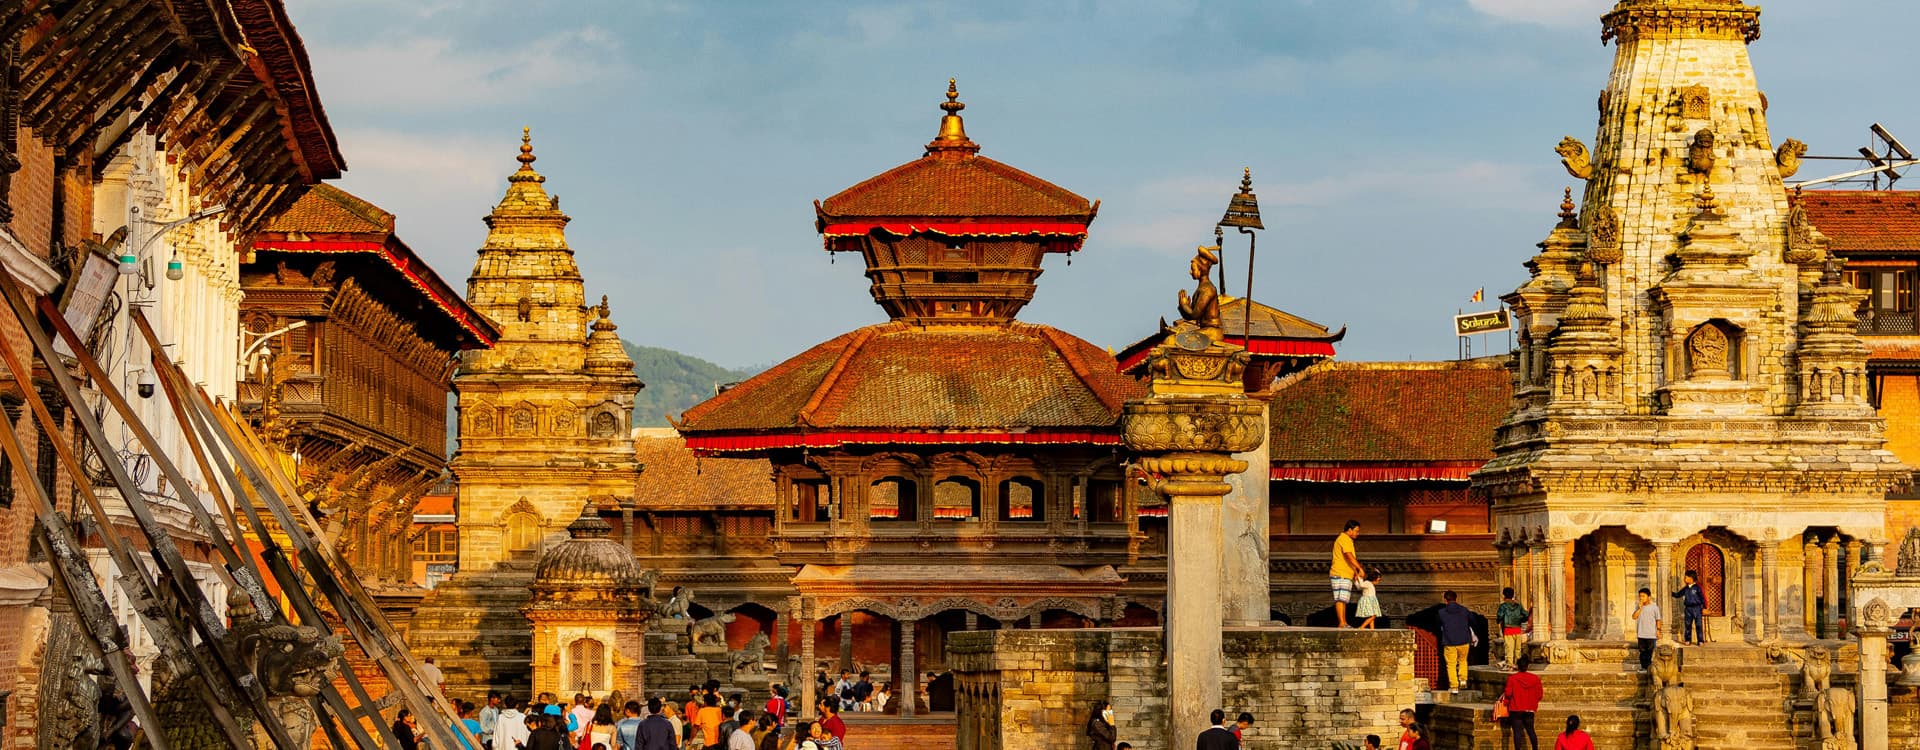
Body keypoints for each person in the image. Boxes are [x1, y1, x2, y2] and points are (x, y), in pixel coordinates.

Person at [1437, 590, 1475, 694]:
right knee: (1463, 661)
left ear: (1445, 600)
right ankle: (1463, 680)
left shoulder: (1441, 613)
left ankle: (1454, 686)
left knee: (1451, 664)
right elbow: (1473, 621)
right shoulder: (1464, 610)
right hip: (1464, 641)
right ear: (1456, 599)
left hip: (1449, 642)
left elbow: (1438, 625)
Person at [1502, 657, 1543, 750]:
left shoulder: (1512, 678)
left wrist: (1506, 701)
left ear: (1518, 666)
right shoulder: (1535, 678)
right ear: (1527, 666)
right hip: (1529, 708)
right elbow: (1539, 695)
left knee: (1517, 732)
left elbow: (1508, 693)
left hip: (1516, 708)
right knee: (1531, 731)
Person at [1332, 520, 1364, 627]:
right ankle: (1341, 622)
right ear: (1349, 530)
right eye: (1356, 531)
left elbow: (1348, 560)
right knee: (1340, 598)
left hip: (1345, 572)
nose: (1357, 533)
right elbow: (1349, 556)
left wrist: (1355, 572)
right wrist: (1360, 568)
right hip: (1340, 572)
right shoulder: (1344, 539)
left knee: (1343, 599)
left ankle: (1343, 622)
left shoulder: (1346, 540)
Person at [1495, 587, 1531, 670]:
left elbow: (1500, 616)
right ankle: (1517, 664)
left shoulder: (1503, 606)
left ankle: (1509, 665)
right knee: (1518, 649)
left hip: (1508, 629)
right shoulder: (1518, 605)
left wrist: (1499, 621)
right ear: (1512, 595)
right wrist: (1520, 620)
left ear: (1504, 595)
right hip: (1517, 629)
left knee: (1509, 648)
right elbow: (1526, 614)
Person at [1672, 570, 1706, 646]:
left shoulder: (1697, 588)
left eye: (1686, 577)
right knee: (1687, 625)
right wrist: (1670, 592)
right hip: (1688, 608)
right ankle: (1688, 640)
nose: (1684, 578)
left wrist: (1704, 608)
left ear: (1691, 578)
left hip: (1697, 608)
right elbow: (1678, 595)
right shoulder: (1686, 588)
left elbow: (1702, 598)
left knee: (1698, 625)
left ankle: (1700, 640)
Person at [1632, 587, 1662, 671]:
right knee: (1642, 652)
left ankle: (1650, 668)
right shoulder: (1638, 607)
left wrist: (1658, 630)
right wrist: (1640, 608)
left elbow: (1658, 620)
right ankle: (1644, 668)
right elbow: (1634, 617)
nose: (1641, 598)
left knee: (1650, 653)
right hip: (1641, 634)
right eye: (1640, 596)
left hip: (1651, 634)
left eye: (1643, 596)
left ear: (1649, 597)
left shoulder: (1654, 607)